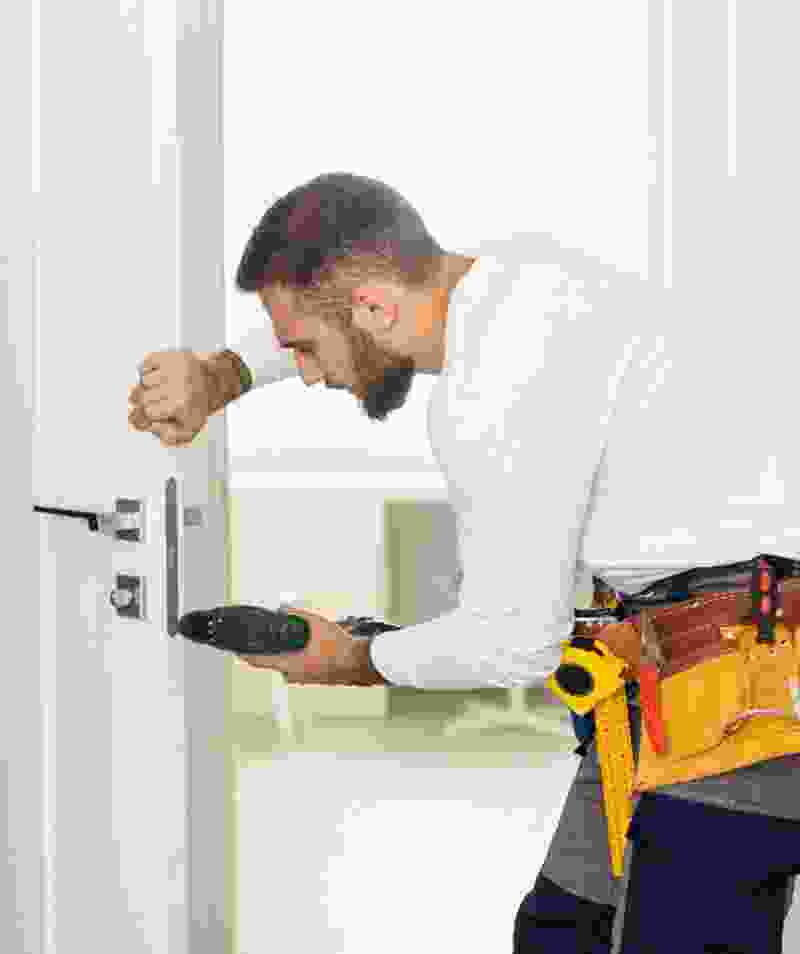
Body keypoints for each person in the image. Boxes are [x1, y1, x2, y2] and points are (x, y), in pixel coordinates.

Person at [128, 172, 800, 952]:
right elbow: (339, 297)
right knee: (561, 932)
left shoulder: (493, 393)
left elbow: (516, 640)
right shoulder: (523, 283)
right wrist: (228, 374)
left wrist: (355, 660)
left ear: (375, 307)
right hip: (671, 681)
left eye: (303, 350)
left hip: (750, 691)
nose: (308, 374)